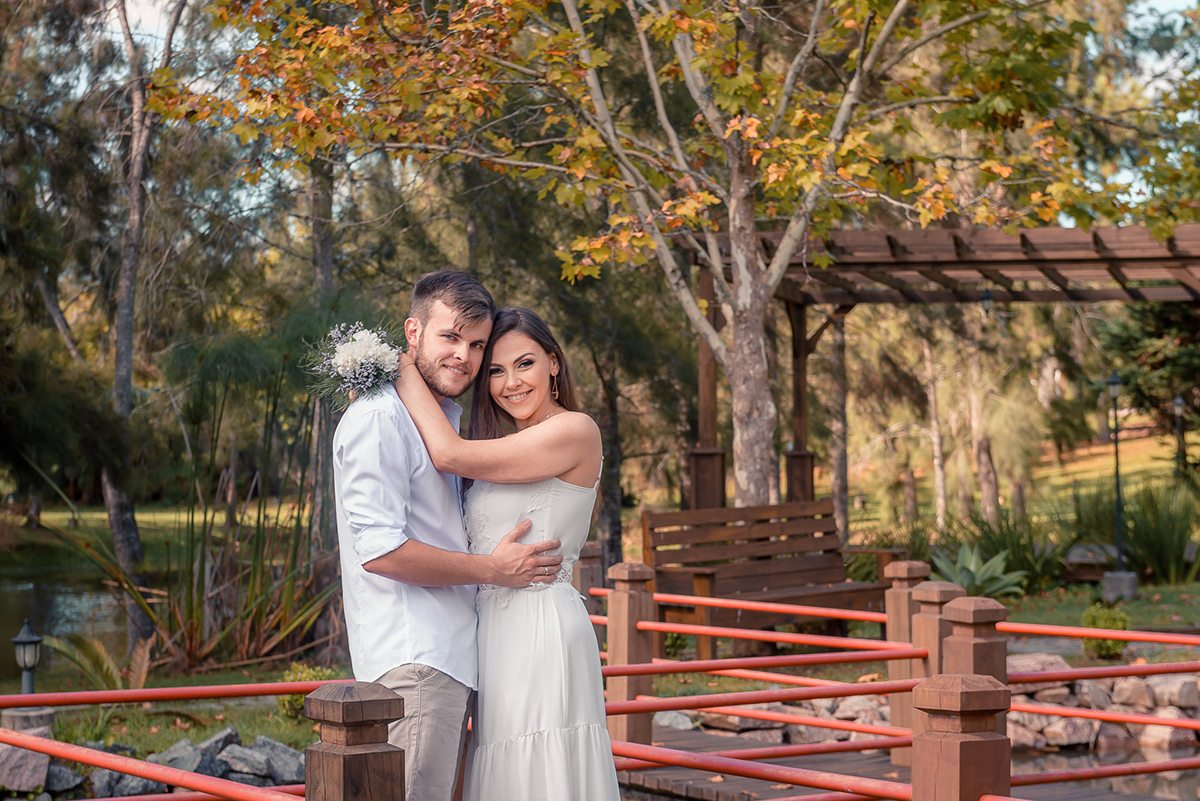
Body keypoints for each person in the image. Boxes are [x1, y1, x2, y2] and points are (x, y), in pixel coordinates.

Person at [332, 272, 566, 801]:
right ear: (412, 334)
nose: (464, 354)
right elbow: (381, 551)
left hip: (451, 658)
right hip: (417, 659)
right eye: (450, 337)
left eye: (477, 344)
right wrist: (492, 570)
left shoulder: (435, 420)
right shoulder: (379, 418)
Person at [394, 306, 621, 801]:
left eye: (524, 364)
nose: (510, 382)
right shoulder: (510, 443)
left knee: (540, 770)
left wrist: (402, 366)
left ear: (554, 363)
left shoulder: (576, 431)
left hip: (541, 625)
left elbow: (449, 453)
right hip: (493, 633)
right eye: (495, 370)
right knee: (505, 772)